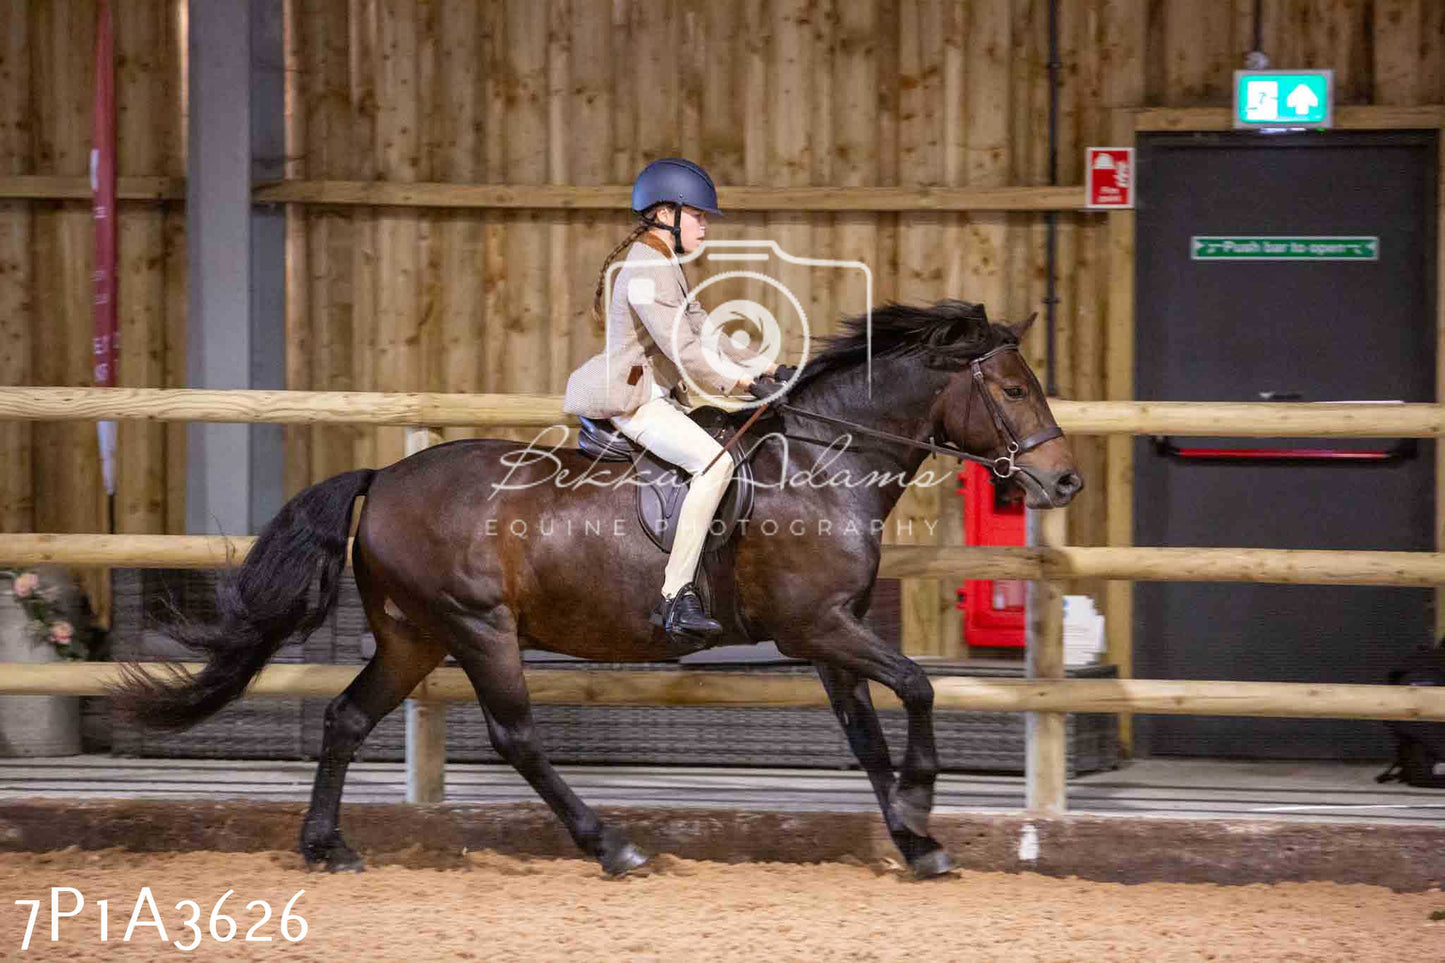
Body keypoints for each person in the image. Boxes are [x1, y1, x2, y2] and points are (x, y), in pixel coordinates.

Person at [562, 158, 793, 644]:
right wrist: (744, 386)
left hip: (659, 395)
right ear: (666, 212)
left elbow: (705, 331)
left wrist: (770, 368)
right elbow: (684, 350)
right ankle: (673, 596)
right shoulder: (646, 269)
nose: (705, 226)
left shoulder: (665, 263)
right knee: (715, 464)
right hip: (635, 400)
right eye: (699, 216)